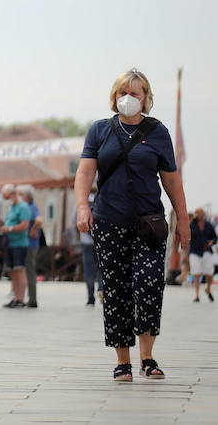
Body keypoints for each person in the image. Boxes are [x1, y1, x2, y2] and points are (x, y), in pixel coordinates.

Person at [75, 68, 188, 382]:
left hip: (148, 222)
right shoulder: (100, 130)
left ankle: (148, 357)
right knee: (116, 289)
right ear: (114, 97)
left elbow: (171, 180)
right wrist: (83, 206)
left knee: (149, 282)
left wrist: (183, 220)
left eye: (135, 93)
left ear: (146, 98)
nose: (128, 98)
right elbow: (84, 174)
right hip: (109, 221)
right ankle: (122, 360)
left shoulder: (158, 132)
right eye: (123, 92)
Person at [1, 185, 32, 308]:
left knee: (19, 270)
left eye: (7, 197)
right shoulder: (12, 207)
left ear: (13, 194)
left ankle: (21, 298)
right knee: (13, 271)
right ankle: (16, 296)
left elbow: (25, 225)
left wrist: (9, 228)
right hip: (10, 243)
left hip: (19, 244)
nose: (7, 200)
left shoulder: (23, 207)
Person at [21, 185, 43, 308]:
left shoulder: (31, 207)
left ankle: (32, 299)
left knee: (30, 270)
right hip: (28, 243)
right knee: (28, 270)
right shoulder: (29, 207)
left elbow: (39, 220)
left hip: (31, 243)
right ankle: (29, 297)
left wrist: (34, 229)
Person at [189, 208, 215, 303]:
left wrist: (211, 242)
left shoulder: (209, 225)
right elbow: (188, 238)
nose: (201, 215)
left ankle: (208, 289)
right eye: (199, 213)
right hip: (195, 251)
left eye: (202, 213)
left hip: (207, 251)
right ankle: (197, 295)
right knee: (196, 273)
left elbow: (215, 238)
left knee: (209, 273)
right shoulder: (192, 225)